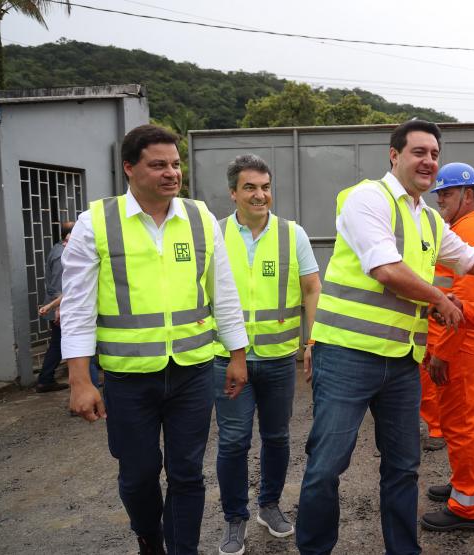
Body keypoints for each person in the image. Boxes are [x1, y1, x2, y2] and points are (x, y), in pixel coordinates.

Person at [294, 119, 474, 555]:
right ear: (394, 155)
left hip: (401, 359)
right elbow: (385, 268)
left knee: (403, 468)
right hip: (347, 354)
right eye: (420, 152)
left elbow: (473, 260)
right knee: (326, 467)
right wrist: (441, 300)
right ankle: (314, 548)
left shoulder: (429, 221)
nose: (429, 161)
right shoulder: (368, 198)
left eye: (435, 154)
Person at [63, 124, 249, 555]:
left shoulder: (200, 217)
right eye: (158, 164)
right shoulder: (98, 222)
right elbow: (76, 308)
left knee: (187, 474)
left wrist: (237, 355)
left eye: (176, 164)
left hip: (193, 371)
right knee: (139, 473)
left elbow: (223, 293)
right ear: (129, 168)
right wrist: (80, 380)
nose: (171, 173)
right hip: (129, 377)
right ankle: (149, 536)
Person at [214, 154, 322, 555]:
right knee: (233, 441)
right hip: (226, 357)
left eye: (264, 187)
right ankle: (234, 518)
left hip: (277, 357)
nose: (260, 195)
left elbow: (311, 288)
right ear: (233, 193)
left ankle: (269, 505)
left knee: (276, 437)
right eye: (250, 188)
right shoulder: (214, 233)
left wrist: (313, 341)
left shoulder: (292, 234)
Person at [419, 162, 474, 532]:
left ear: (468, 194)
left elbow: (460, 304)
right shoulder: (466, 228)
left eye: (447, 194)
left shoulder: (470, 230)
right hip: (457, 343)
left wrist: (442, 354)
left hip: (458, 346)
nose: (440, 201)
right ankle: (460, 483)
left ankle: (466, 505)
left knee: (462, 423)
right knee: (456, 421)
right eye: (438, 195)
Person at [34, 221, 75, 393]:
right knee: (58, 344)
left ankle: (46, 378)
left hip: (59, 308)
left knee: (58, 343)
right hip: (60, 309)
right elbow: (60, 285)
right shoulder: (61, 254)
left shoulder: (59, 249)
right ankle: (45, 379)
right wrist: (58, 310)